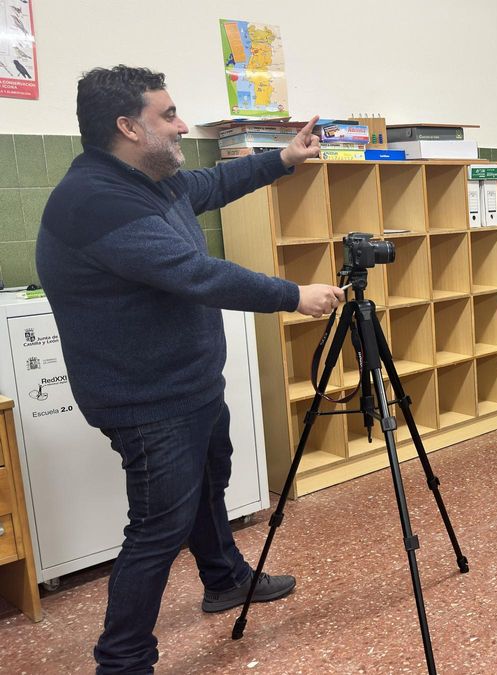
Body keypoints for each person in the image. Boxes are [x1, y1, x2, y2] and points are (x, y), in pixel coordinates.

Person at [35, 65, 345, 673]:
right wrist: (291, 294)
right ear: (127, 126)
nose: (182, 126)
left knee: (208, 487)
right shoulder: (94, 202)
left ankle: (225, 579)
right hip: (146, 399)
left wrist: (281, 158)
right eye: (168, 115)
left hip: (189, 382)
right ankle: (122, 659)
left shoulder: (148, 178)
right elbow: (195, 272)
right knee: (157, 527)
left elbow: (211, 184)